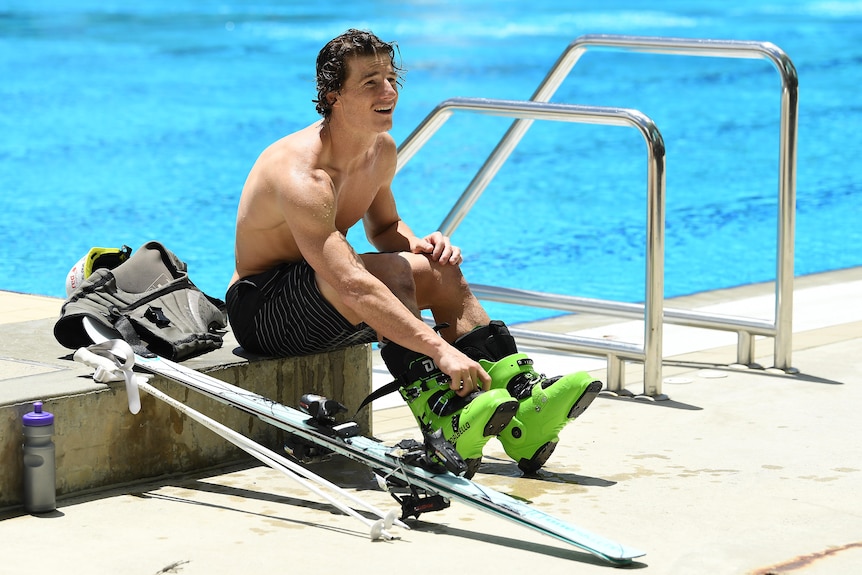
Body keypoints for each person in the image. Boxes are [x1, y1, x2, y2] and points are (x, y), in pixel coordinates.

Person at [226, 29, 601, 476]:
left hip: (324, 293)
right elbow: (349, 280)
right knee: (392, 275)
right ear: (333, 96)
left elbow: (384, 227)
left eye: (390, 77)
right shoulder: (303, 174)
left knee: (439, 271)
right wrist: (439, 350)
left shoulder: (378, 149)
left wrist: (420, 244)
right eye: (369, 82)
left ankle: (525, 410)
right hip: (263, 311)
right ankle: (441, 417)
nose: (388, 91)